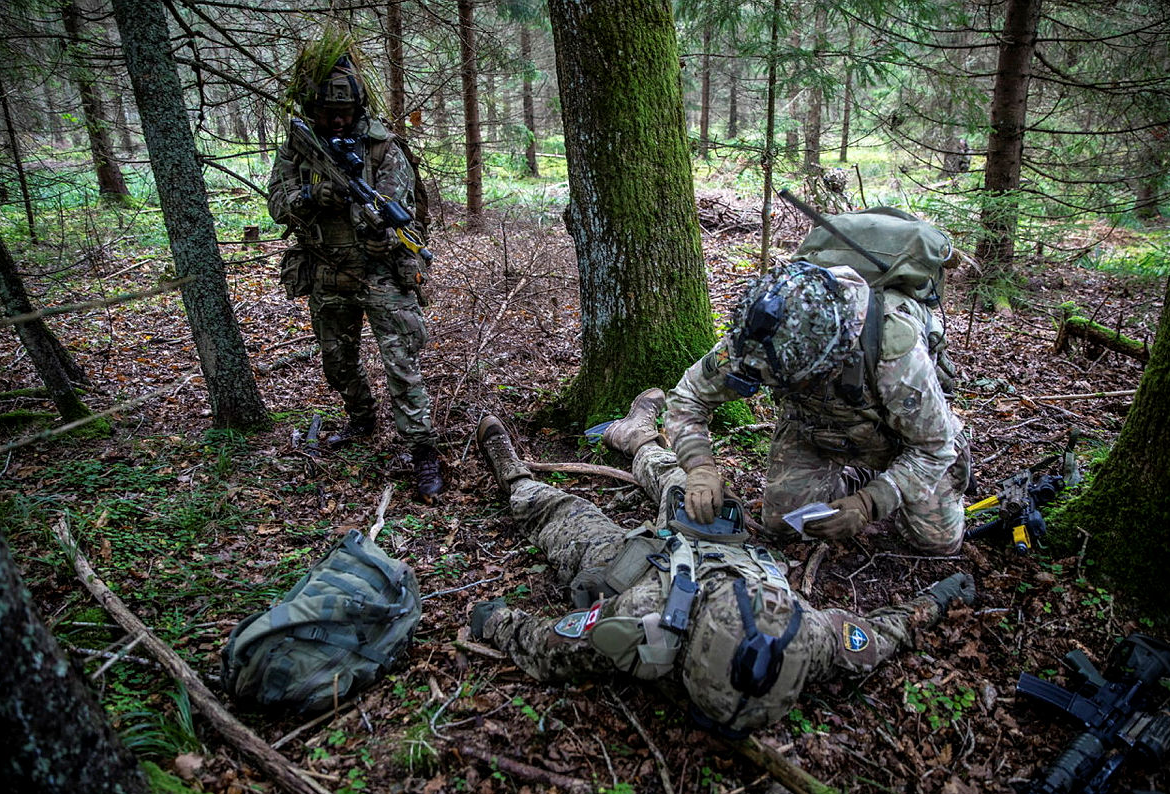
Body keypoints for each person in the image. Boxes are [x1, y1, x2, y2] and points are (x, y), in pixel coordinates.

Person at [470, 390, 976, 737]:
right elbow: (884, 634)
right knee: (676, 481)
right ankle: (637, 435)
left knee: (567, 516)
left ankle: (515, 477)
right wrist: (937, 599)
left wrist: (495, 621)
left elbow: (546, 645)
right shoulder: (809, 641)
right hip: (687, 557)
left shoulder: (645, 626)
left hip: (647, 562)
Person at [667, 259, 970, 555]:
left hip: (901, 441)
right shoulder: (757, 337)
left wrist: (871, 502)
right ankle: (857, 477)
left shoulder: (895, 354)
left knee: (937, 541)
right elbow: (689, 396)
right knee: (783, 525)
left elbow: (934, 447)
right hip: (816, 428)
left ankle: (878, 480)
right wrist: (700, 467)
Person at [268, 46, 443, 501]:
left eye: (345, 112)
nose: (339, 121)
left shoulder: (384, 146)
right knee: (337, 362)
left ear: (358, 108)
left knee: (402, 364)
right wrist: (313, 198)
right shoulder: (298, 148)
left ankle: (423, 451)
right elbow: (276, 206)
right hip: (326, 270)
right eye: (330, 113)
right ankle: (361, 418)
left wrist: (383, 238)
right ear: (314, 110)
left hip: (381, 273)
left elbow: (400, 212)